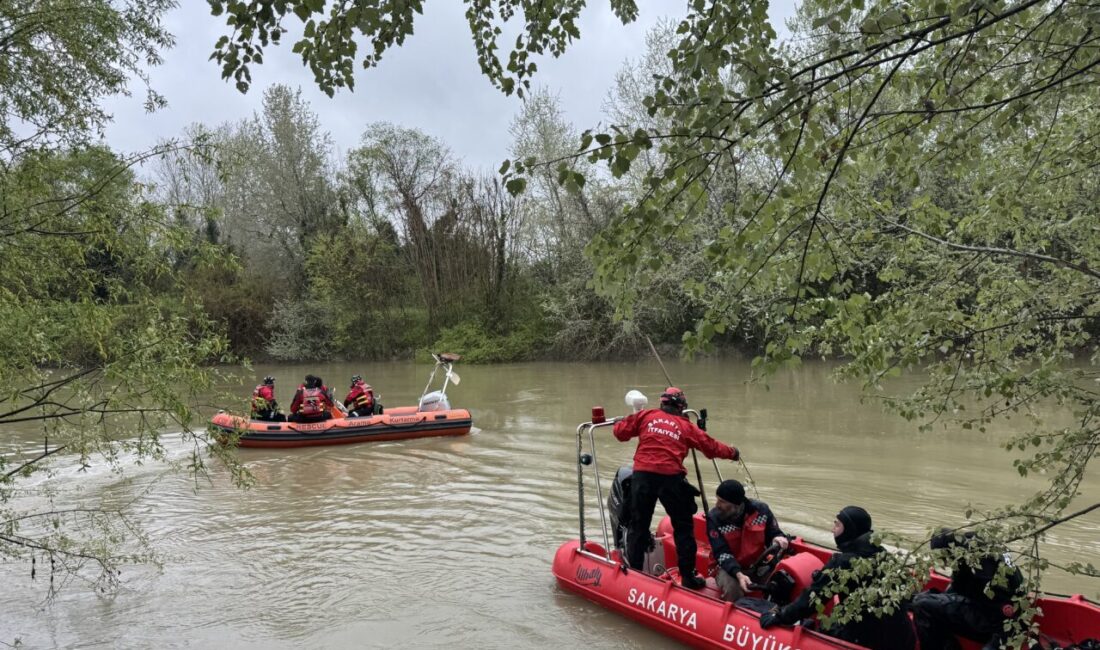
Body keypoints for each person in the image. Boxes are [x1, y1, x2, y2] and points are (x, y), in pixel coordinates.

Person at [612, 386, 740, 589]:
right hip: (671, 478)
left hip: (643, 477)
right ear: (682, 408)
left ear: (662, 403)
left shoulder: (646, 415)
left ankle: (635, 575)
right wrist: (733, 453)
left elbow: (620, 433)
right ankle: (688, 576)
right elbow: (711, 447)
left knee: (638, 526)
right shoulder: (686, 426)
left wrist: (621, 422)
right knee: (683, 528)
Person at [759, 506, 916, 650]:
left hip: (864, 641)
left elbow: (811, 600)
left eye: (837, 525)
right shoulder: (886, 557)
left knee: (822, 626)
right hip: (903, 640)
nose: (833, 530)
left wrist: (779, 616)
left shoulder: (843, 563)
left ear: (850, 530)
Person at [911, 529, 1025, 650]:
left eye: (943, 558)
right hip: (998, 611)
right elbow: (956, 588)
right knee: (923, 599)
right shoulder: (974, 544)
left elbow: (1004, 608)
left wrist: (994, 644)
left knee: (922, 605)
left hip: (998, 622)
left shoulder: (981, 565)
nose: (944, 563)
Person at [706, 479, 790, 602]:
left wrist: (777, 537)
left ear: (736, 504)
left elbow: (773, 532)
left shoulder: (761, 511)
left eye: (722, 501)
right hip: (726, 567)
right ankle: (734, 614)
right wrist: (739, 575)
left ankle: (774, 612)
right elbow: (721, 553)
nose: (717, 504)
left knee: (781, 581)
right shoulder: (714, 519)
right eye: (718, 499)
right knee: (733, 588)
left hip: (758, 564)